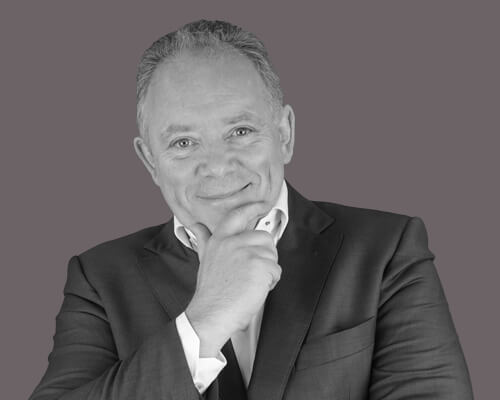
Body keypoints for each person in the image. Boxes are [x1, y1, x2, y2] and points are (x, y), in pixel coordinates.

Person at [29, 19, 473, 400]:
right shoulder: (99, 278)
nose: (218, 166)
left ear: (285, 135)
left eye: (240, 131)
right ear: (150, 162)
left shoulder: (385, 250)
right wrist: (203, 322)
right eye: (183, 142)